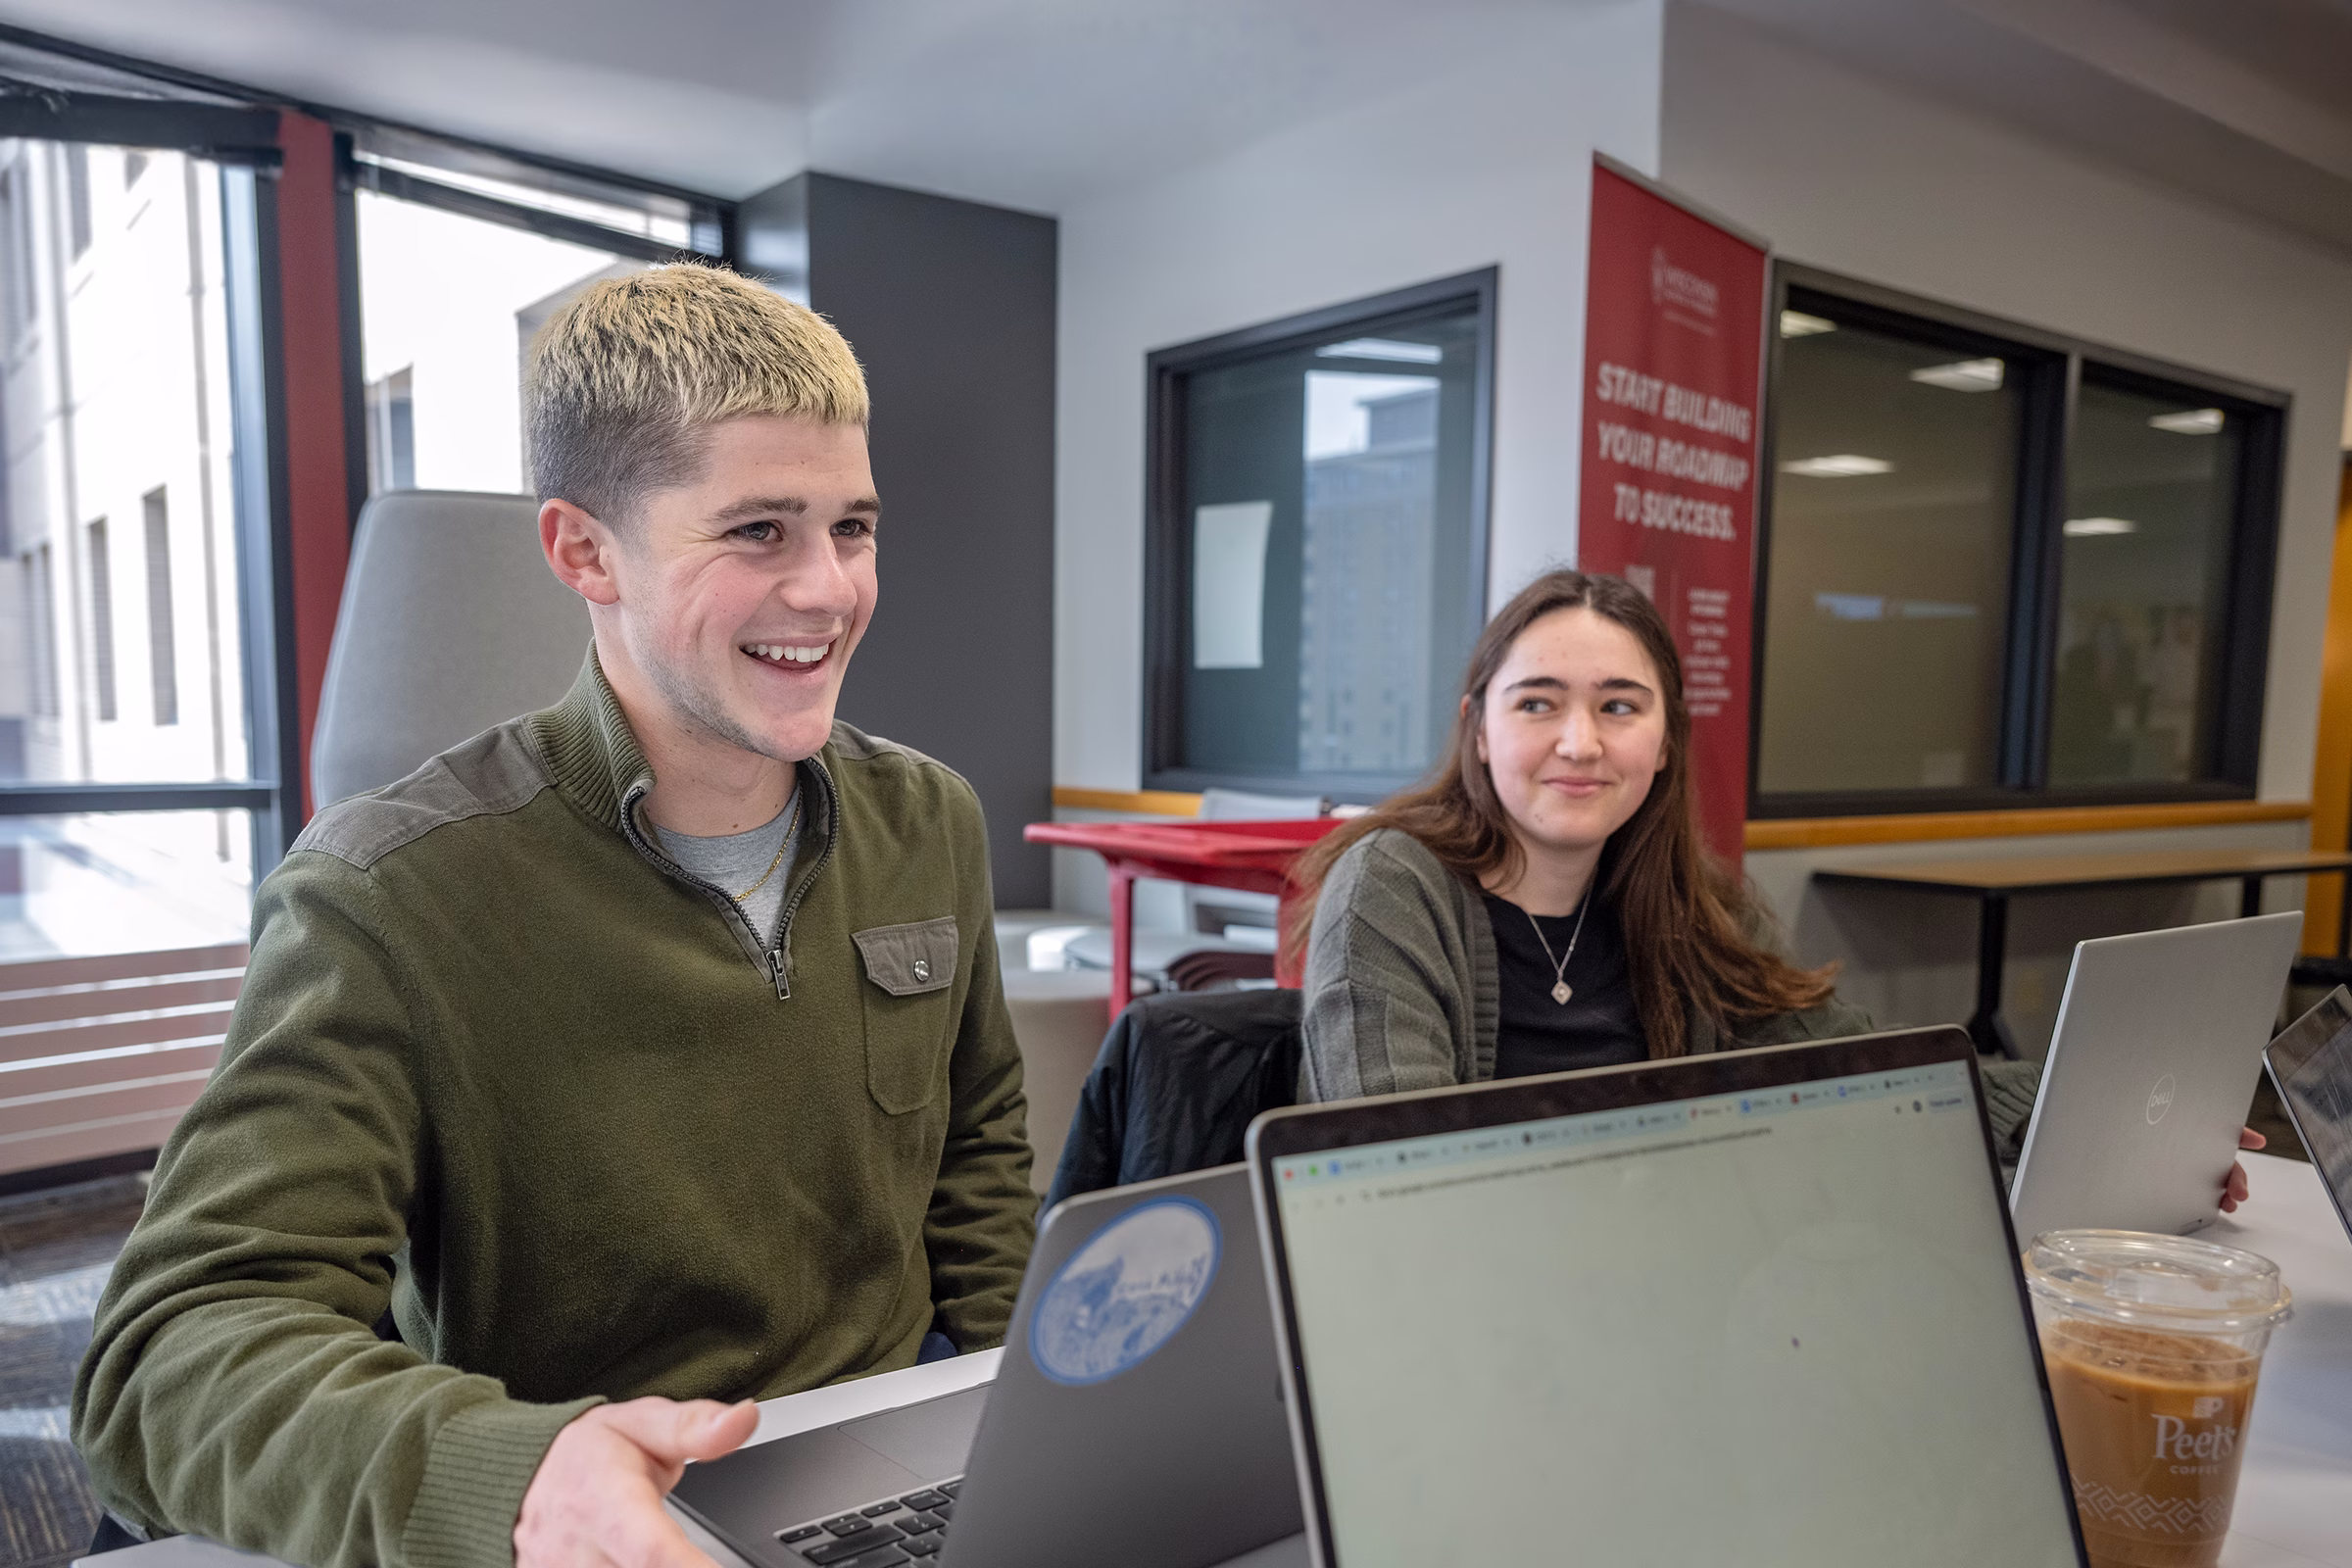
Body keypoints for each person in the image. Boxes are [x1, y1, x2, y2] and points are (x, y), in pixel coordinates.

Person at [73, 265, 1037, 1568]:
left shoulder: (928, 818)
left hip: (907, 1484)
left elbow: (976, 1156)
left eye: (851, 528)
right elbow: (166, 1361)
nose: (829, 589)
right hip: (600, 1512)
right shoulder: (388, 893)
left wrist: (1031, 1424)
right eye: (759, 532)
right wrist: (522, 1480)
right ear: (585, 551)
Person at [1288, 569, 2263, 1208]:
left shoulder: (1688, 903)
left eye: (1619, 707)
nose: (1580, 741)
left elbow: (1872, 1064)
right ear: (1478, 728)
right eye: (1537, 702)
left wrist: (2111, 1111)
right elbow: (1392, 1176)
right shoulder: (1394, 887)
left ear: (1663, 741)